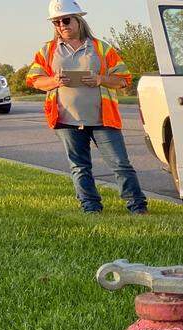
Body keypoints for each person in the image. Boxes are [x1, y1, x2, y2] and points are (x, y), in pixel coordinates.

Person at [26, 0, 148, 215]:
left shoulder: (101, 47)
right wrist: (54, 81)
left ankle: (137, 207)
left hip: (103, 119)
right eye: (56, 22)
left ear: (79, 20)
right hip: (66, 120)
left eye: (65, 20)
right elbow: (34, 80)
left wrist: (101, 79)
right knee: (79, 167)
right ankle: (90, 208)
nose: (61, 25)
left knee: (120, 164)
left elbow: (124, 79)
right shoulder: (47, 50)